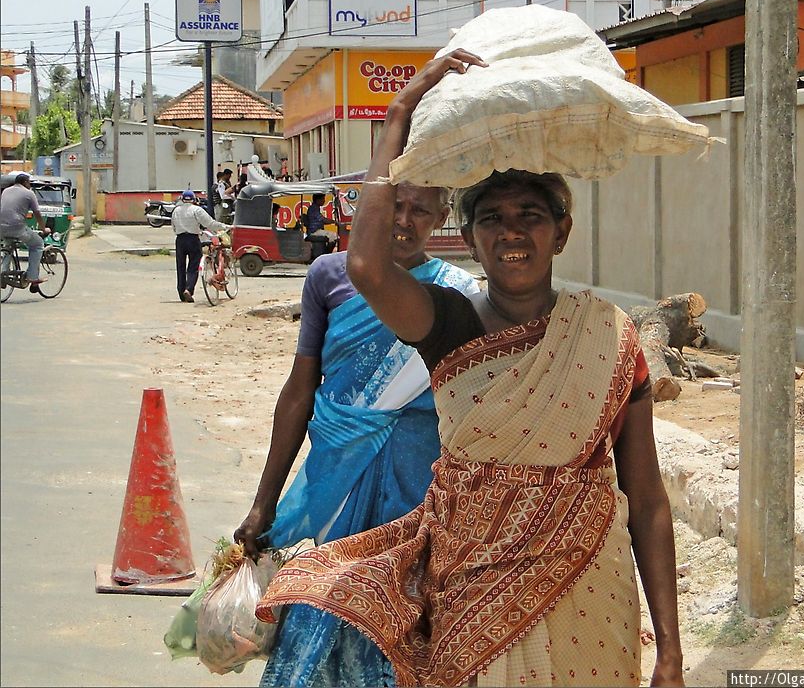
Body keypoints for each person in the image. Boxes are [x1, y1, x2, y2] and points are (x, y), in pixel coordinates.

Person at [256, 50, 685, 687]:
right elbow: (369, 267)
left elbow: (647, 500)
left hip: (586, 589)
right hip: (470, 587)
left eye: (530, 217)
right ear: (471, 236)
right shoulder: (449, 322)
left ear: (561, 232)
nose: (512, 233)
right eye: (492, 219)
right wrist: (398, 113)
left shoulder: (606, 337)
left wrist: (671, 654)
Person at [233, 183, 480, 686]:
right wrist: (265, 501)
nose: (404, 222)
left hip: (419, 491)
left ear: (443, 216)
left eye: (420, 211)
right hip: (334, 488)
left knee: (403, 631)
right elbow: (301, 389)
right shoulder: (329, 275)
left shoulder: (461, 294)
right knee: (322, 607)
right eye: (394, 206)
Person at [171, 189, 230, 303]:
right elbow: (210, 223)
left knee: (180, 267)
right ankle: (189, 289)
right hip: (193, 239)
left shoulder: (176, 211)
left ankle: (181, 292)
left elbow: (173, 227)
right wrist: (224, 226)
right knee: (194, 266)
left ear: (182, 199)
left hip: (180, 240)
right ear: (193, 200)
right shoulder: (197, 210)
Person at [0, 172, 50, 292]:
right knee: (37, 244)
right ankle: (33, 278)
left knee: (8, 246)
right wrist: (44, 229)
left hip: (1, 227)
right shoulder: (29, 193)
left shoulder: (6, 191)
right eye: (29, 183)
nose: (30, 185)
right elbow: (37, 213)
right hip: (17, 227)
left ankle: (3, 273)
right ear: (25, 182)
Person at [301, 193, 337, 261]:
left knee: (332, 236)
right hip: (314, 231)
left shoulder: (316, 208)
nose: (324, 201)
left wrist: (332, 222)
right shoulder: (313, 208)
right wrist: (335, 222)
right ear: (317, 200)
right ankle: (327, 254)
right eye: (322, 199)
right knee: (334, 236)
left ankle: (326, 253)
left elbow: (321, 221)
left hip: (316, 230)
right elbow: (323, 220)